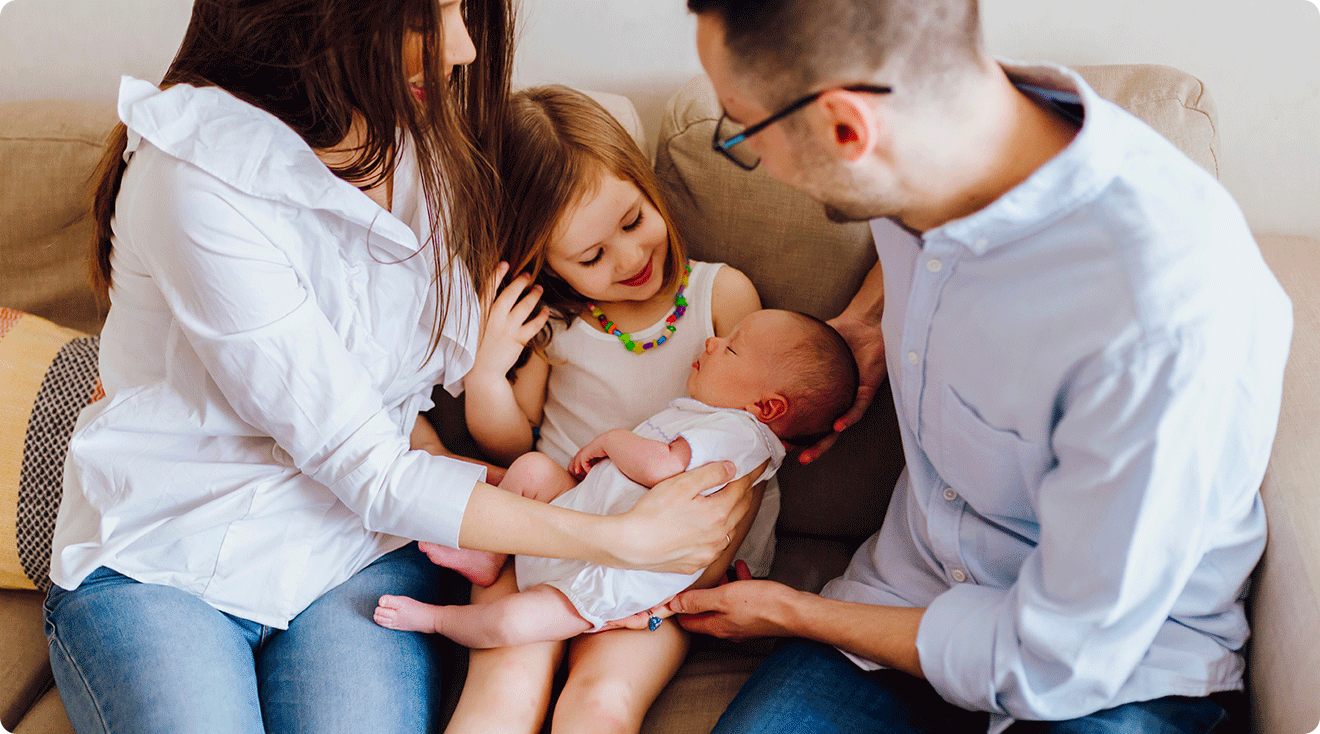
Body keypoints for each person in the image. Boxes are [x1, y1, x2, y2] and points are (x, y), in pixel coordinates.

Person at [42, 3, 756, 732]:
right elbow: (359, 461)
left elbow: (377, 407)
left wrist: (474, 471)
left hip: (355, 552)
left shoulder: (430, 141)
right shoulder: (194, 181)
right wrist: (622, 539)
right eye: (432, 14)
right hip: (166, 560)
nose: (463, 47)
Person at [664, 1, 1295, 733]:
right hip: (907, 590)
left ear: (847, 131)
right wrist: (868, 325)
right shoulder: (935, 155)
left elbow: (1054, 661)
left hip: (1113, 669)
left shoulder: (1158, 317)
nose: (753, 157)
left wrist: (793, 611)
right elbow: (942, 239)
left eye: (744, 130)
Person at [436, 85, 773, 734]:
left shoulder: (721, 298)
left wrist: (679, 578)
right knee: (502, 688)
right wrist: (486, 375)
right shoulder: (556, 324)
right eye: (591, 256)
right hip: (550, 530)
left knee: (601, 703)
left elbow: (753, 453)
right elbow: (511, 449)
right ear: (547, 266)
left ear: (648, 186)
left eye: (633, 220)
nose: (630, 256)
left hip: (662, 558)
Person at [374, 309, 858, 648]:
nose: (711, 342)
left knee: (511, 624)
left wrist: (611, 440)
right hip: (585, 521)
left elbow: (665, 466)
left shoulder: (741, 435)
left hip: (605, 580)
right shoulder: (720, 421)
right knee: (533, 469)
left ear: (766, 407)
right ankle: (486, 553)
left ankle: (438, 621)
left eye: (729, 350)